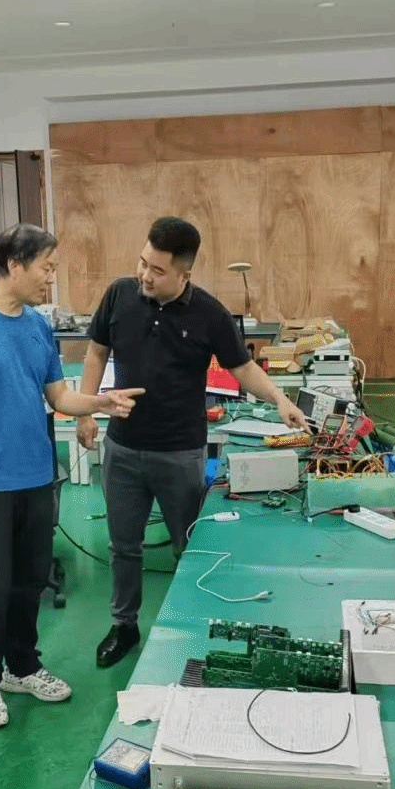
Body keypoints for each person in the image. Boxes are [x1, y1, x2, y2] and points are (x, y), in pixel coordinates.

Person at [0, 224, 143, 729]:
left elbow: (58, 396)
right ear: (14, 265)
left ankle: (21, 667)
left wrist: (102, 402)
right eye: (46, 267)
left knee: (28, 584)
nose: (50, 278)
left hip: (35, 478)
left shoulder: (38, 328)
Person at [77, 217, 308, 668]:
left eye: (157, 270)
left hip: (179, 453)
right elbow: (96, 352)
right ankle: (124, 625)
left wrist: (280, 398)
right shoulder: (120, 294)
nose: (144, 275)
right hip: (122, 449)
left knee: (188, 546)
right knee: (124, 547)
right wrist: (86, 409)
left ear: (185, 274)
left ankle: (191, 621)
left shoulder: (209, 314)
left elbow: (242, 368)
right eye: (142, 263)